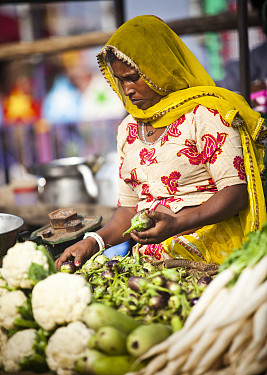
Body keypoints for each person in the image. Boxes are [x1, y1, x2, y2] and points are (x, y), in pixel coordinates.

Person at [55, 15, 267, 270]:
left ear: (159, 68)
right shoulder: (128, 129)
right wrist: (94, 241)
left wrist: (178, 224)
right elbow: (129, 210)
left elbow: (235, 194)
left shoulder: (204, 116)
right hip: (148, 267)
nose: (127, 89)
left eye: (134, 77)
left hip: (208, 259)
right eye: (121, 80)